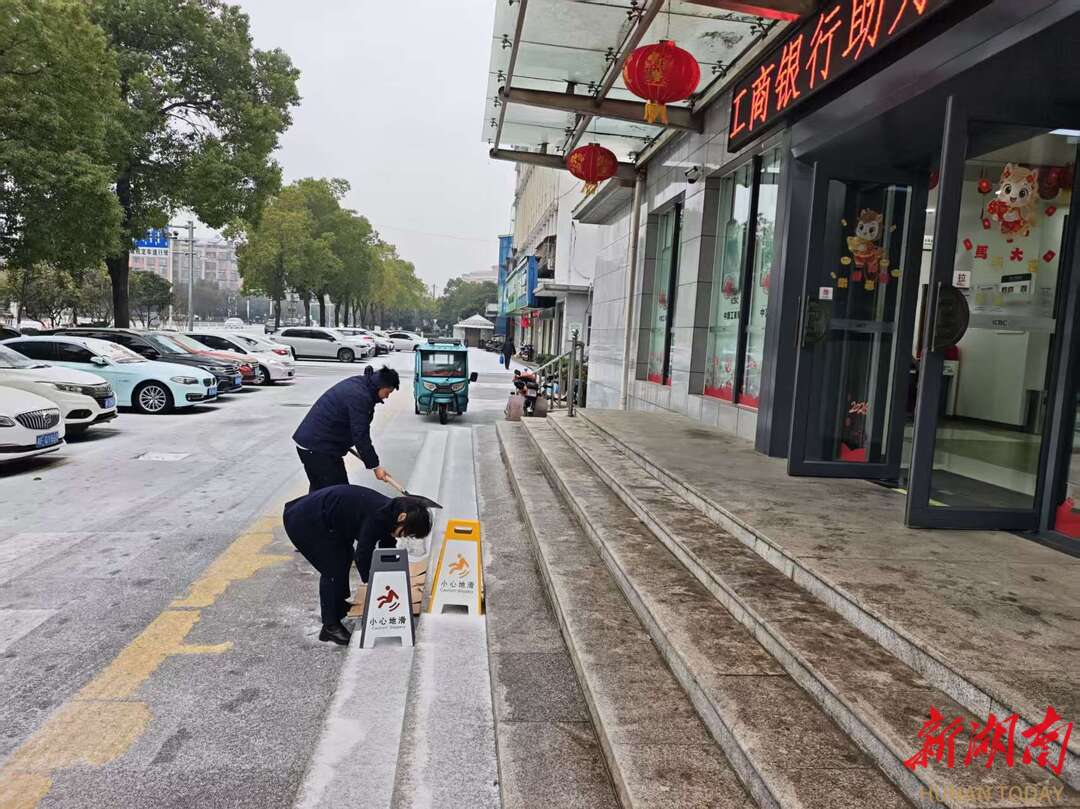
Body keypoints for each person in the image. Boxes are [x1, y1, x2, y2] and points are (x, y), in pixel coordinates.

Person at [283, 484, 433, 645]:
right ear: (402, 518)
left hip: (327, 521)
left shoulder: (391, 512)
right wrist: (373, 584)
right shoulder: (377, 517)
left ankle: (339, 605)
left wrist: (390, 576)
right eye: (408, 532)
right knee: (333, 568)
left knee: (343, 557)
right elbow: (362, 556)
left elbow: (386, 546)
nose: (406, 536)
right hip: (305, 521)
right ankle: (329, 626)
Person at [293, 365, 399, 492]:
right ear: (380, 386)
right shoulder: (360, 396)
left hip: (316, 443)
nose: (386, 397)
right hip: (318, 447)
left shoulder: (363, 384)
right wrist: (375, 466)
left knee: (321, 493)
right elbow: (361, 435)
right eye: (387, 393)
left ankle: (308, 511)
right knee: (338, 494)